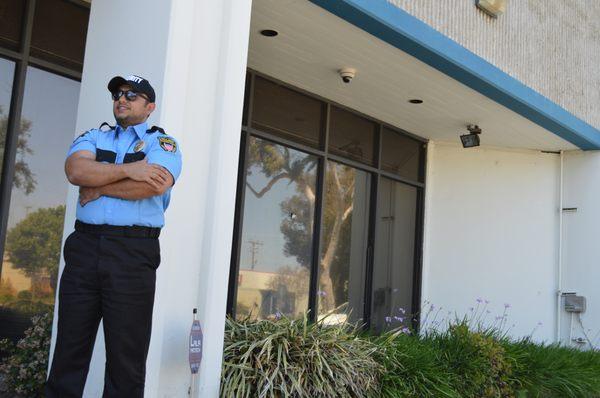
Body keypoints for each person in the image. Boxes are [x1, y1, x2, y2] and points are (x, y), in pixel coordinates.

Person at [46, 75, 182, 397]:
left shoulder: (161, 143)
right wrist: (130, 170)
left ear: (150, 107)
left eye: (132, 95)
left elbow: (154, 185)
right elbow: (76, 172)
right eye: (118, 94)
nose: (122, 99)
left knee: (126, 359)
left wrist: (100, 185)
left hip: (133, 252)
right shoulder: (94, 136)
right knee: (69, 349)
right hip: (84, 248)